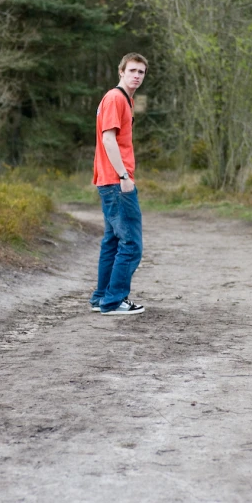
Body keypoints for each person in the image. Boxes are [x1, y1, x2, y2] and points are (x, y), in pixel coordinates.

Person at [89, 52, 148, 315]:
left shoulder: (123, 99)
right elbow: (108, 139)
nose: (137, 76)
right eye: (132, 70)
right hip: (116, 182)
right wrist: (124, 176)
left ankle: (101, 297)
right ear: (121, 72)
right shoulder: (115, 98)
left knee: (112, 242)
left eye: (141, 72)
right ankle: (113, 301)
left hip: (109, 181)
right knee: (131, 244)